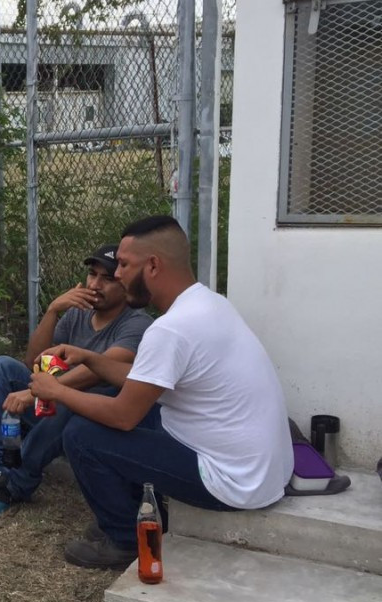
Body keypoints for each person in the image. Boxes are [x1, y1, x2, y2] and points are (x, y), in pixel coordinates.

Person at [28, 215, 293, 570]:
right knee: (132, 408)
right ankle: (133, 508)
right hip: (265, 472)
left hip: (233, 483)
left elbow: (123, 417)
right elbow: (142, 380)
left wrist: (54, 390)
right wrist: (89, 358)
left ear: (153, 265)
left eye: (123, 265)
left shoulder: (171, 329)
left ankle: (123, 538)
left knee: (81, 433)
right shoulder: (209, 304)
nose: (117, 275)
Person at [0, 244, 152, 516]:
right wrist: (52, 310)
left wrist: (39, 393)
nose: (95, 284)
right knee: (0, 366)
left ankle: (17, 484)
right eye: (92, 275)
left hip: (92, 419)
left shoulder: (136, 324)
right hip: (52, 405)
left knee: (70, 402)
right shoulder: (78, 312)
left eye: (107, 279)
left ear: (126, 283)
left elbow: (97, 370)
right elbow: (33, 362)